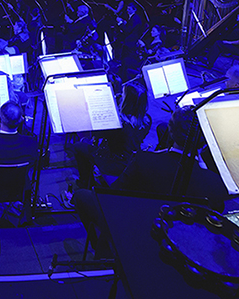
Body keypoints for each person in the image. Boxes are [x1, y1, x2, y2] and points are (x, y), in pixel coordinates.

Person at [67, 107, 229, 258]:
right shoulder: (216, 184)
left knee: (81, 196)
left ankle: (103, 251)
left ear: (170, 132)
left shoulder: (143, 161)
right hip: (184, 246)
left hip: (137, 226)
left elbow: (113, 194)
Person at [65, 82, 151, 189]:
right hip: (131, 158)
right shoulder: (147, 120)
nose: (120, 96)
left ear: (126, 101)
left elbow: (96, 134)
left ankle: (86, 183)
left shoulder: (118, 124)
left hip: (114, 162)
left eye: (123, 95)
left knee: (79, 146)